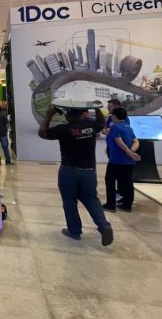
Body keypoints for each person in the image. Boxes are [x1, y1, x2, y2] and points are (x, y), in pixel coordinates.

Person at [38, 103, 114, 246]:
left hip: (69, 170)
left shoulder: (63, 129)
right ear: (81, 115)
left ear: (68, 116)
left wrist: (49, 116)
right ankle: (104, 225)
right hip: (89, 170)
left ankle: (74, 231)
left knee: (69, 201)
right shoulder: (91, 126)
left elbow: (43, 133)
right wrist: (96, 108)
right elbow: (101, 123)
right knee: (91, 198)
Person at [102, 108, 140, 212]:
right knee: (127, 182)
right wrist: (131, 152)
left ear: (114, 116)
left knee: (110, 181)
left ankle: (110, 204)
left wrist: (129, 153)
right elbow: (136, 141)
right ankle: (127, 205)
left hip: (116, 161)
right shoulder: (129, 128)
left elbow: (120, 142)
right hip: (129, 162)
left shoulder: (115, 127)